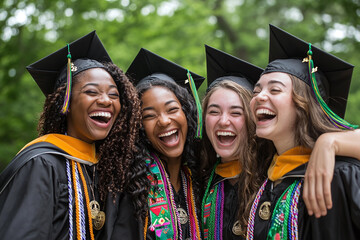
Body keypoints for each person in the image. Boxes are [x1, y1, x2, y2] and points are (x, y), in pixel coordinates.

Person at [0, 31, 146, 240]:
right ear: (65, 103)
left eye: (114, 95)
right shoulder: (41, 164)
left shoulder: (106, 168)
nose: (106, 100)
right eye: (91, 92)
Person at [247, 24, 360, 239]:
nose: (259, 96)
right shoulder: (266, 179)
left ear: (305, 105)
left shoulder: (339, 174)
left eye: (275, 89)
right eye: (257, 90)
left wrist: (330, 142)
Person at [125, 48, 204, 240]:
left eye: (172, 109)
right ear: (139, 127)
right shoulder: (130, 187)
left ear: (187, 113)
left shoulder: (201, 179)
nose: (164, 121)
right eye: (149, 116)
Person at [200, 45, 267, 240]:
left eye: (236, 112)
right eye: (214, 112)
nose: (223, 121)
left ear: (253, 120)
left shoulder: (271, 176)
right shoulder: (199, 180)